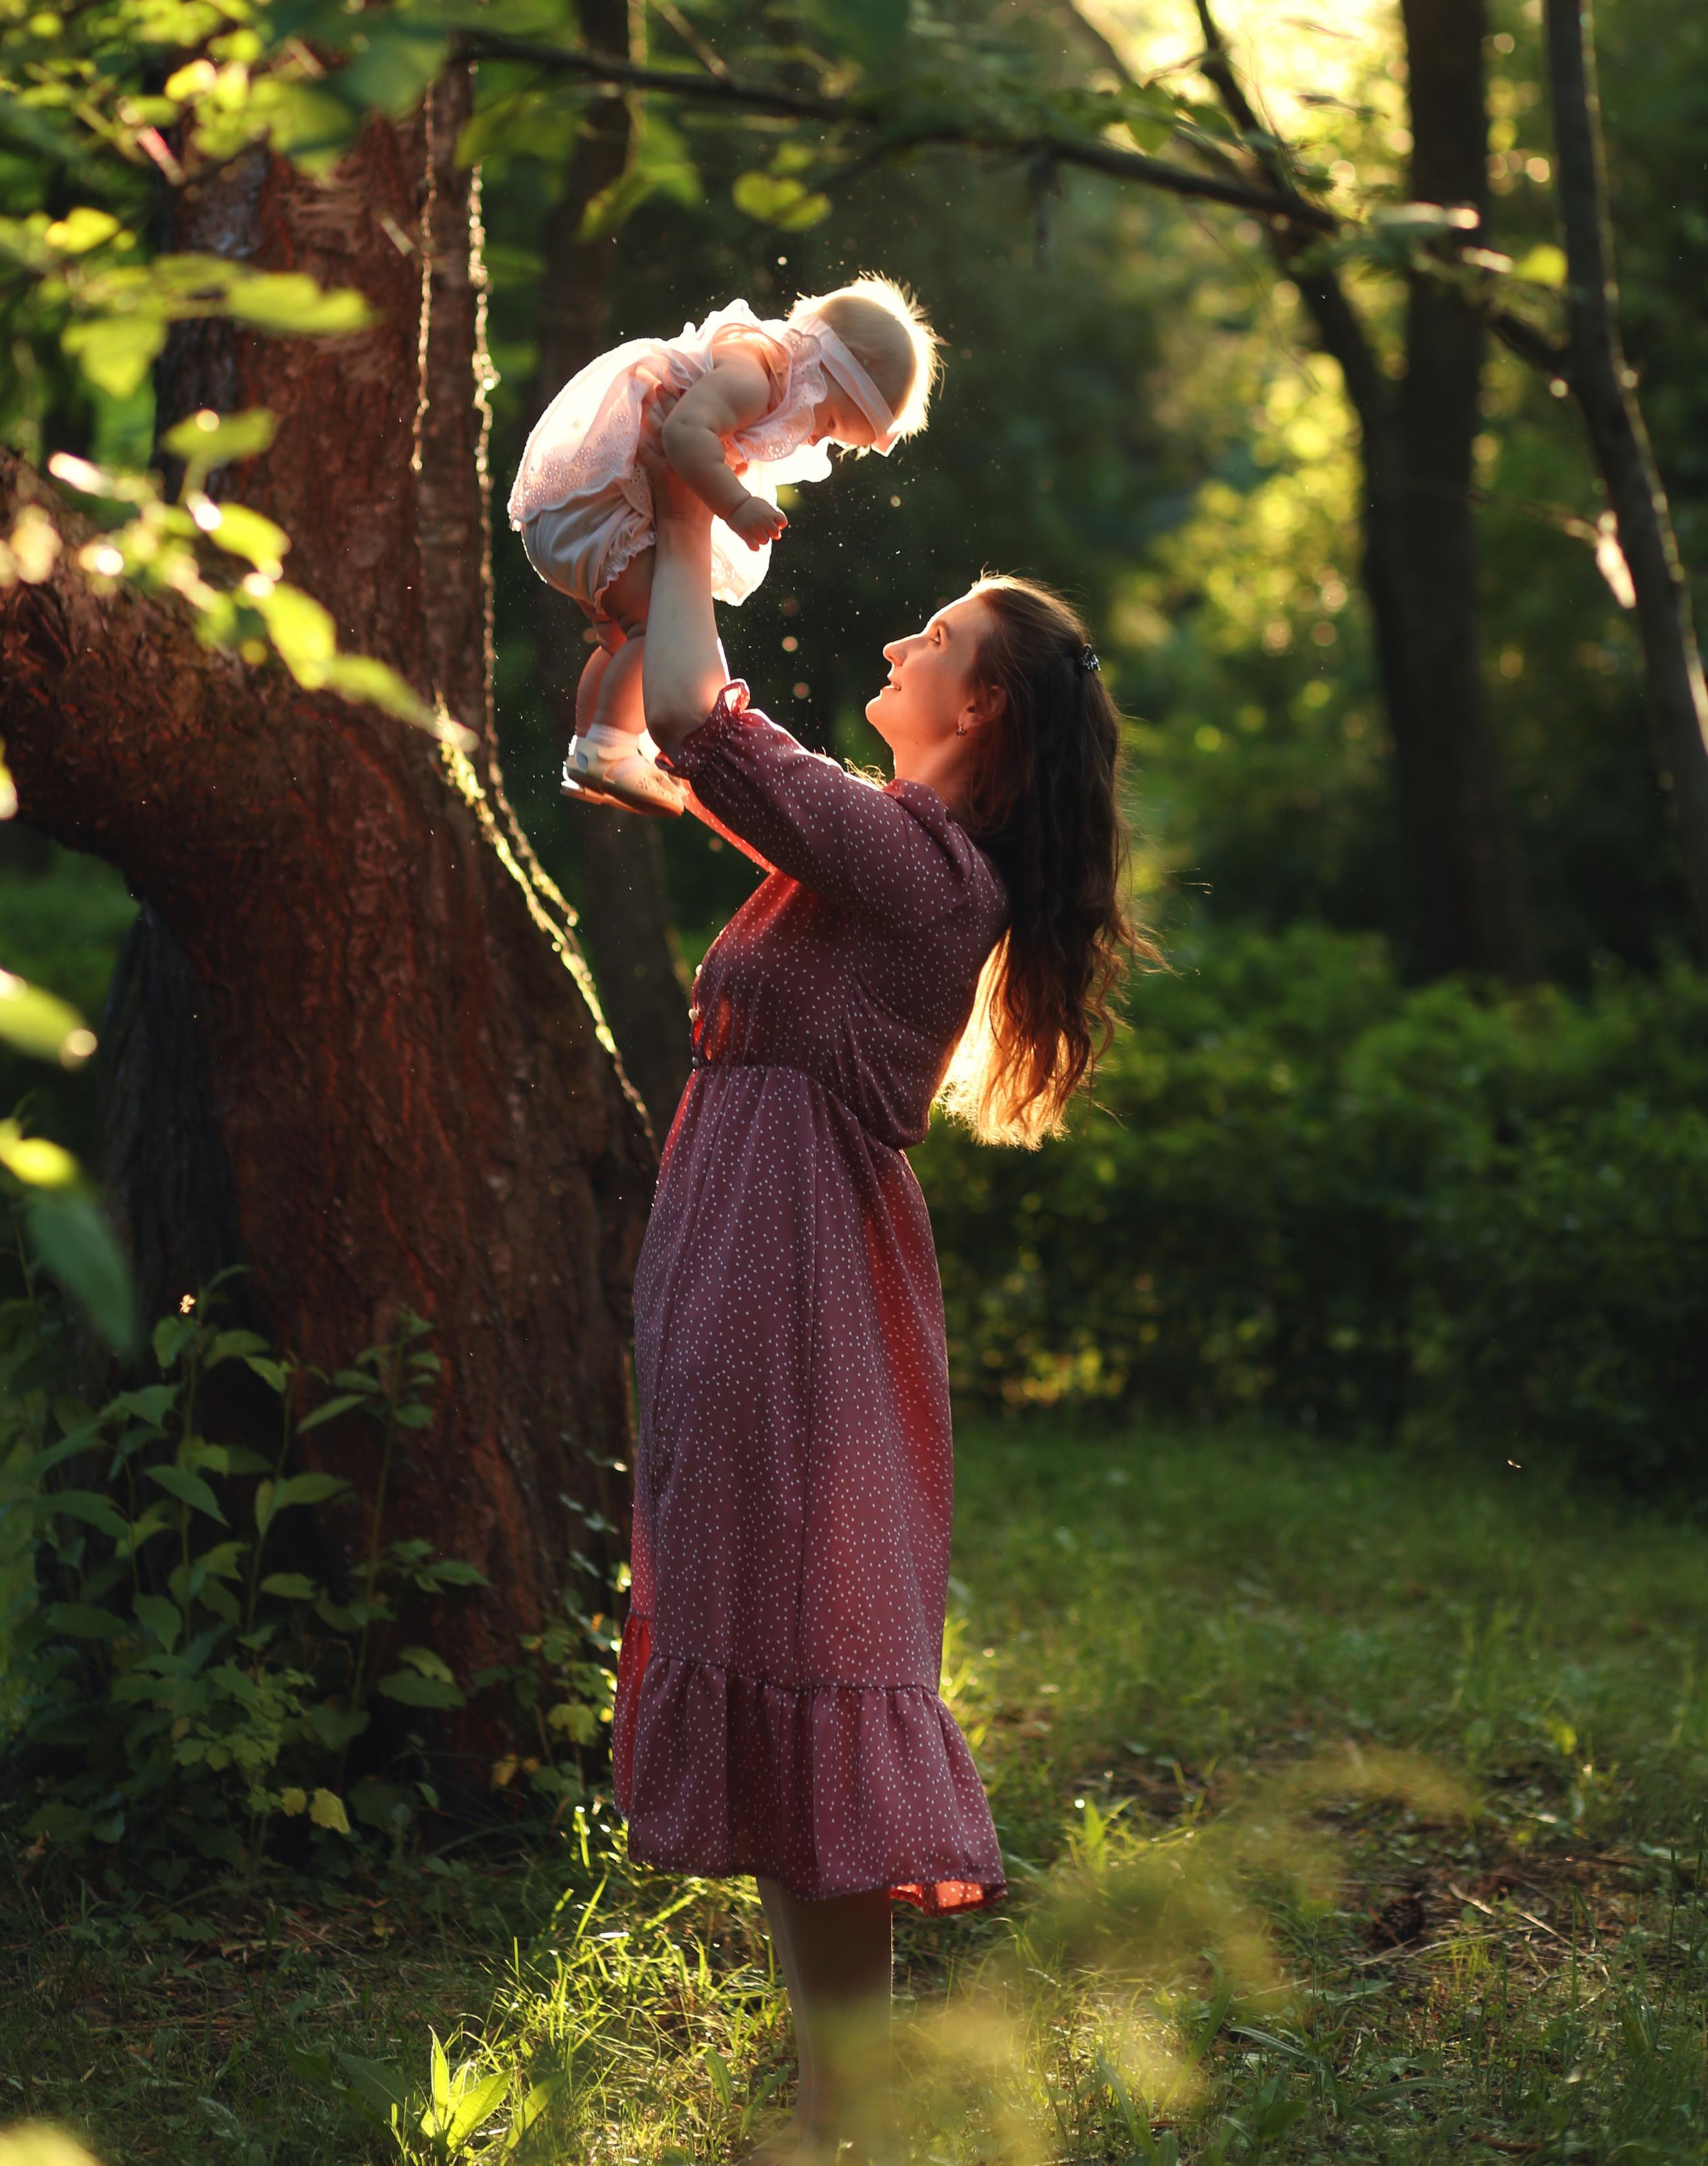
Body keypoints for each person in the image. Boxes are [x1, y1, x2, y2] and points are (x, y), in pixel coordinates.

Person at [614, 411, 1139, 2157]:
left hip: (797, 1305)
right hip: (750, 1276)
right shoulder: (879, 854)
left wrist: (686, 489)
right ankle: (837, 2106)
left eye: (934, 637)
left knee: (808, 1665)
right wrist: (645, 740)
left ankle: (849, 2114)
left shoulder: (926, 867)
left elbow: (708, 717)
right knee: (779, 1670)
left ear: (978, 708)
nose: (898, 644)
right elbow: (701, 757)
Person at [506, 280, 935, 817]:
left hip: (592, 512)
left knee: (627, 641)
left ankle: (591, 749)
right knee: (651, 629)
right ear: (836, 371)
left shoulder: (769, 372)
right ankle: (607, 750)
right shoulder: (757, 374)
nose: (814, 441)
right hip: (590, 508)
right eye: (828, 426)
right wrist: (735, 506)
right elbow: (685, 432)